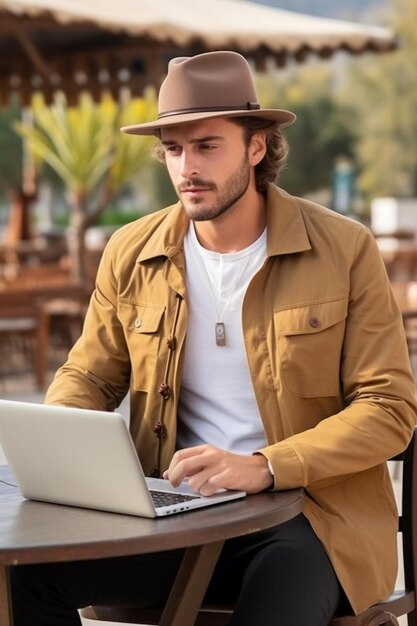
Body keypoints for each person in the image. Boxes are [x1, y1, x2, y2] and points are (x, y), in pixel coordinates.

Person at [11, 50, 417, 626]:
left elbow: (389, 407)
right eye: (173, 149)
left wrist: (266, 465)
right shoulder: (131, 251)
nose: (186, 169)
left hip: (309, 520)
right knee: (22, 578)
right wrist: (61, 448)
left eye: (206, 146)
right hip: (175, 517)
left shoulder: (345, 250)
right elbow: (90, 376)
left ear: (256, 147)